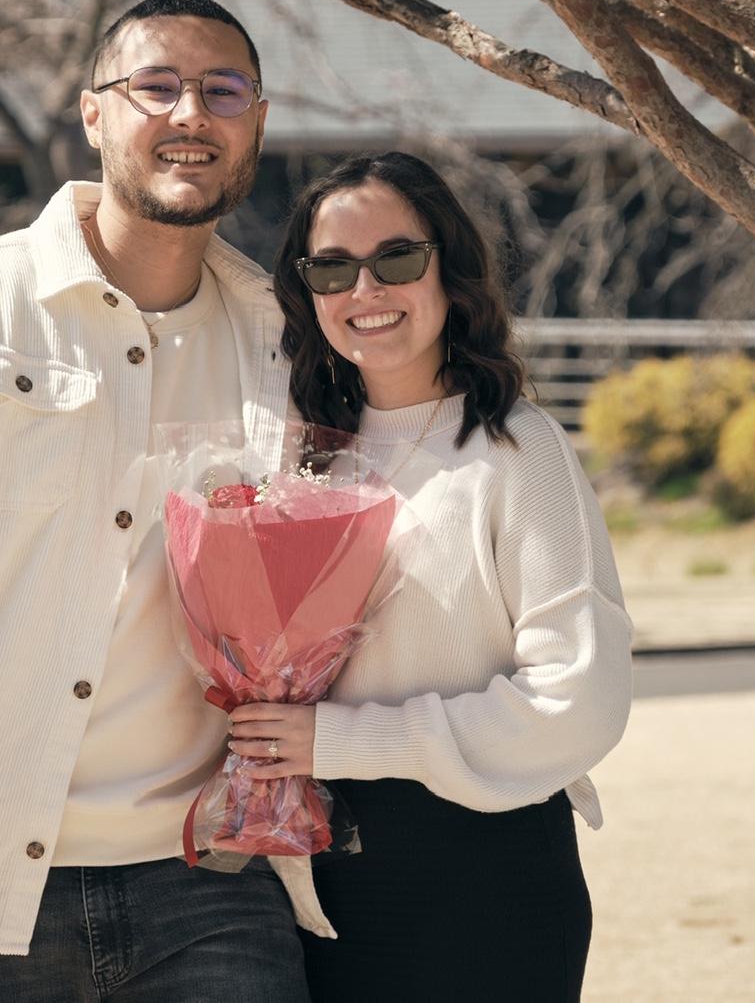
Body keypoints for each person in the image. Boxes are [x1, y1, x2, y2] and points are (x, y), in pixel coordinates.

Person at [0, 0, 327, 1003]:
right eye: (155, 86)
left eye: (223, 91)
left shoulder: (283, 342)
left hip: (210, 878)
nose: (190, 113)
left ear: (257, 122)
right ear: (93, 113)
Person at [227, 152, 633, 1001]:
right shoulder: (296, 462)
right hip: (320, 889)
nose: (364, 290)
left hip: (485, 882)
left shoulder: (518, 450)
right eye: (332, 269)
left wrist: (339, 741)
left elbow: (579, 700)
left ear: (451, 268)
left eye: (397, 258)